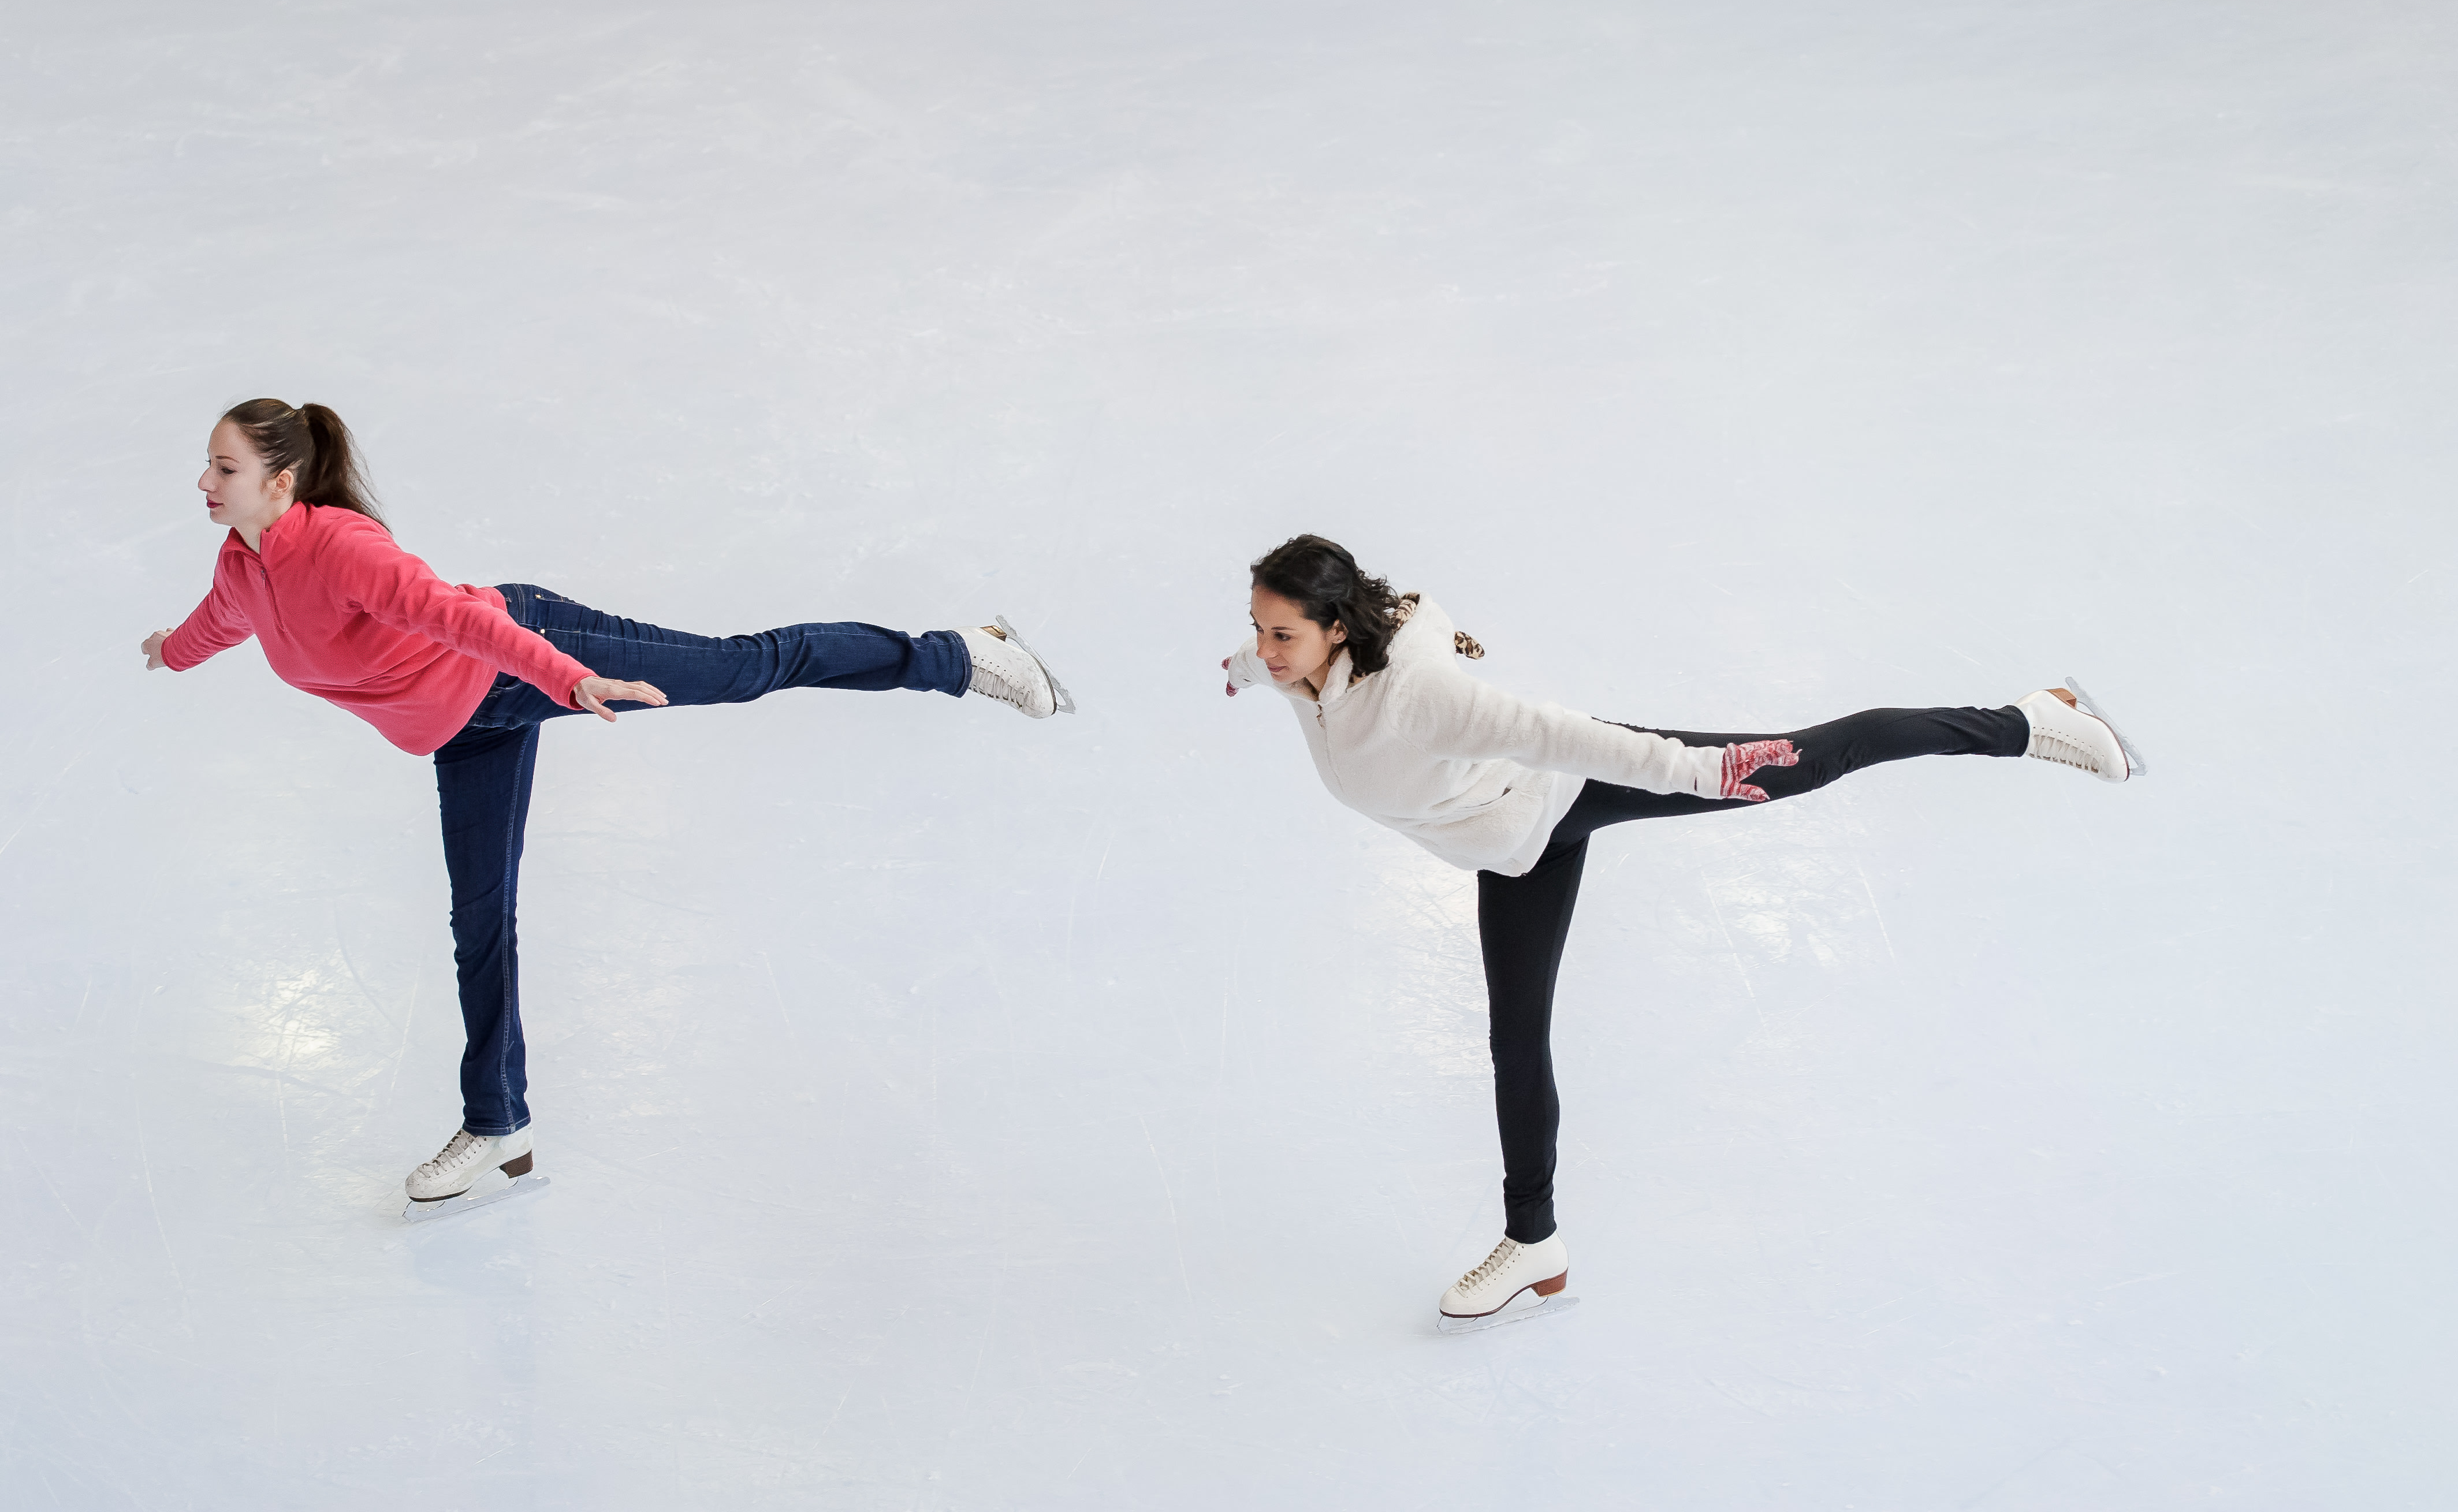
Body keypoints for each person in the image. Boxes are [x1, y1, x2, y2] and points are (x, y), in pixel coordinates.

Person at [143, 399, 1074, 1211]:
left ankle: (961, 654)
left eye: (224, 468)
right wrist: (168, 652)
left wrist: (569, 677)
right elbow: (220, 623)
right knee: (478, 923)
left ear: (282, 481)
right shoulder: (242, 567)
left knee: (743, 668)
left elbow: (464, 620)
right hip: (469, 729)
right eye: (209, 466)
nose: (205, 483)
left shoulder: (344, 550)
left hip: (528, 649)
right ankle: (497, 1122)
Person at [1221, 534, 2140, 1328]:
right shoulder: (1304, 672)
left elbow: (1568, 736)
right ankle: (1533, 1241)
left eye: (1281, 634)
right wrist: (1242, 669)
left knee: (1805, 759)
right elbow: (1297, 657)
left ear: (1336, 627)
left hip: (1564, 791)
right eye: (1259, 629)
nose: (1265, 649)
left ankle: (2028, 723)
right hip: (1516, 851)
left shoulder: (1420, 698)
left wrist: (1708, 773)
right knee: (1515, 1042)